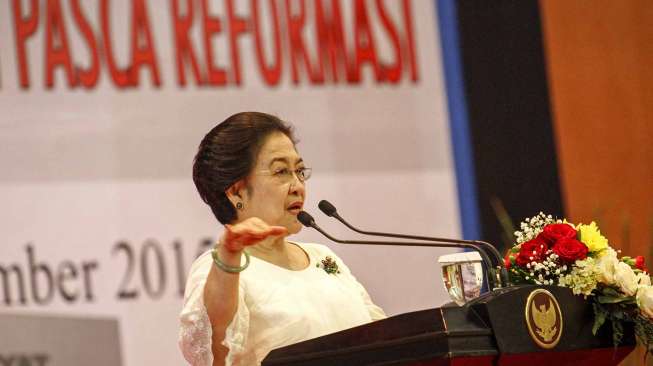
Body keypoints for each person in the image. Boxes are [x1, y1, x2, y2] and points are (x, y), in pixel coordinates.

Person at [178, 112, 385, 366]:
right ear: (236, 192)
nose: (298, 185)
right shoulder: (219, 269)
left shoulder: (324, 257)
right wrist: (229, 255)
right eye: (281, 172)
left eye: (299, 171)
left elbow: (383, 343)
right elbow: (217, 349)